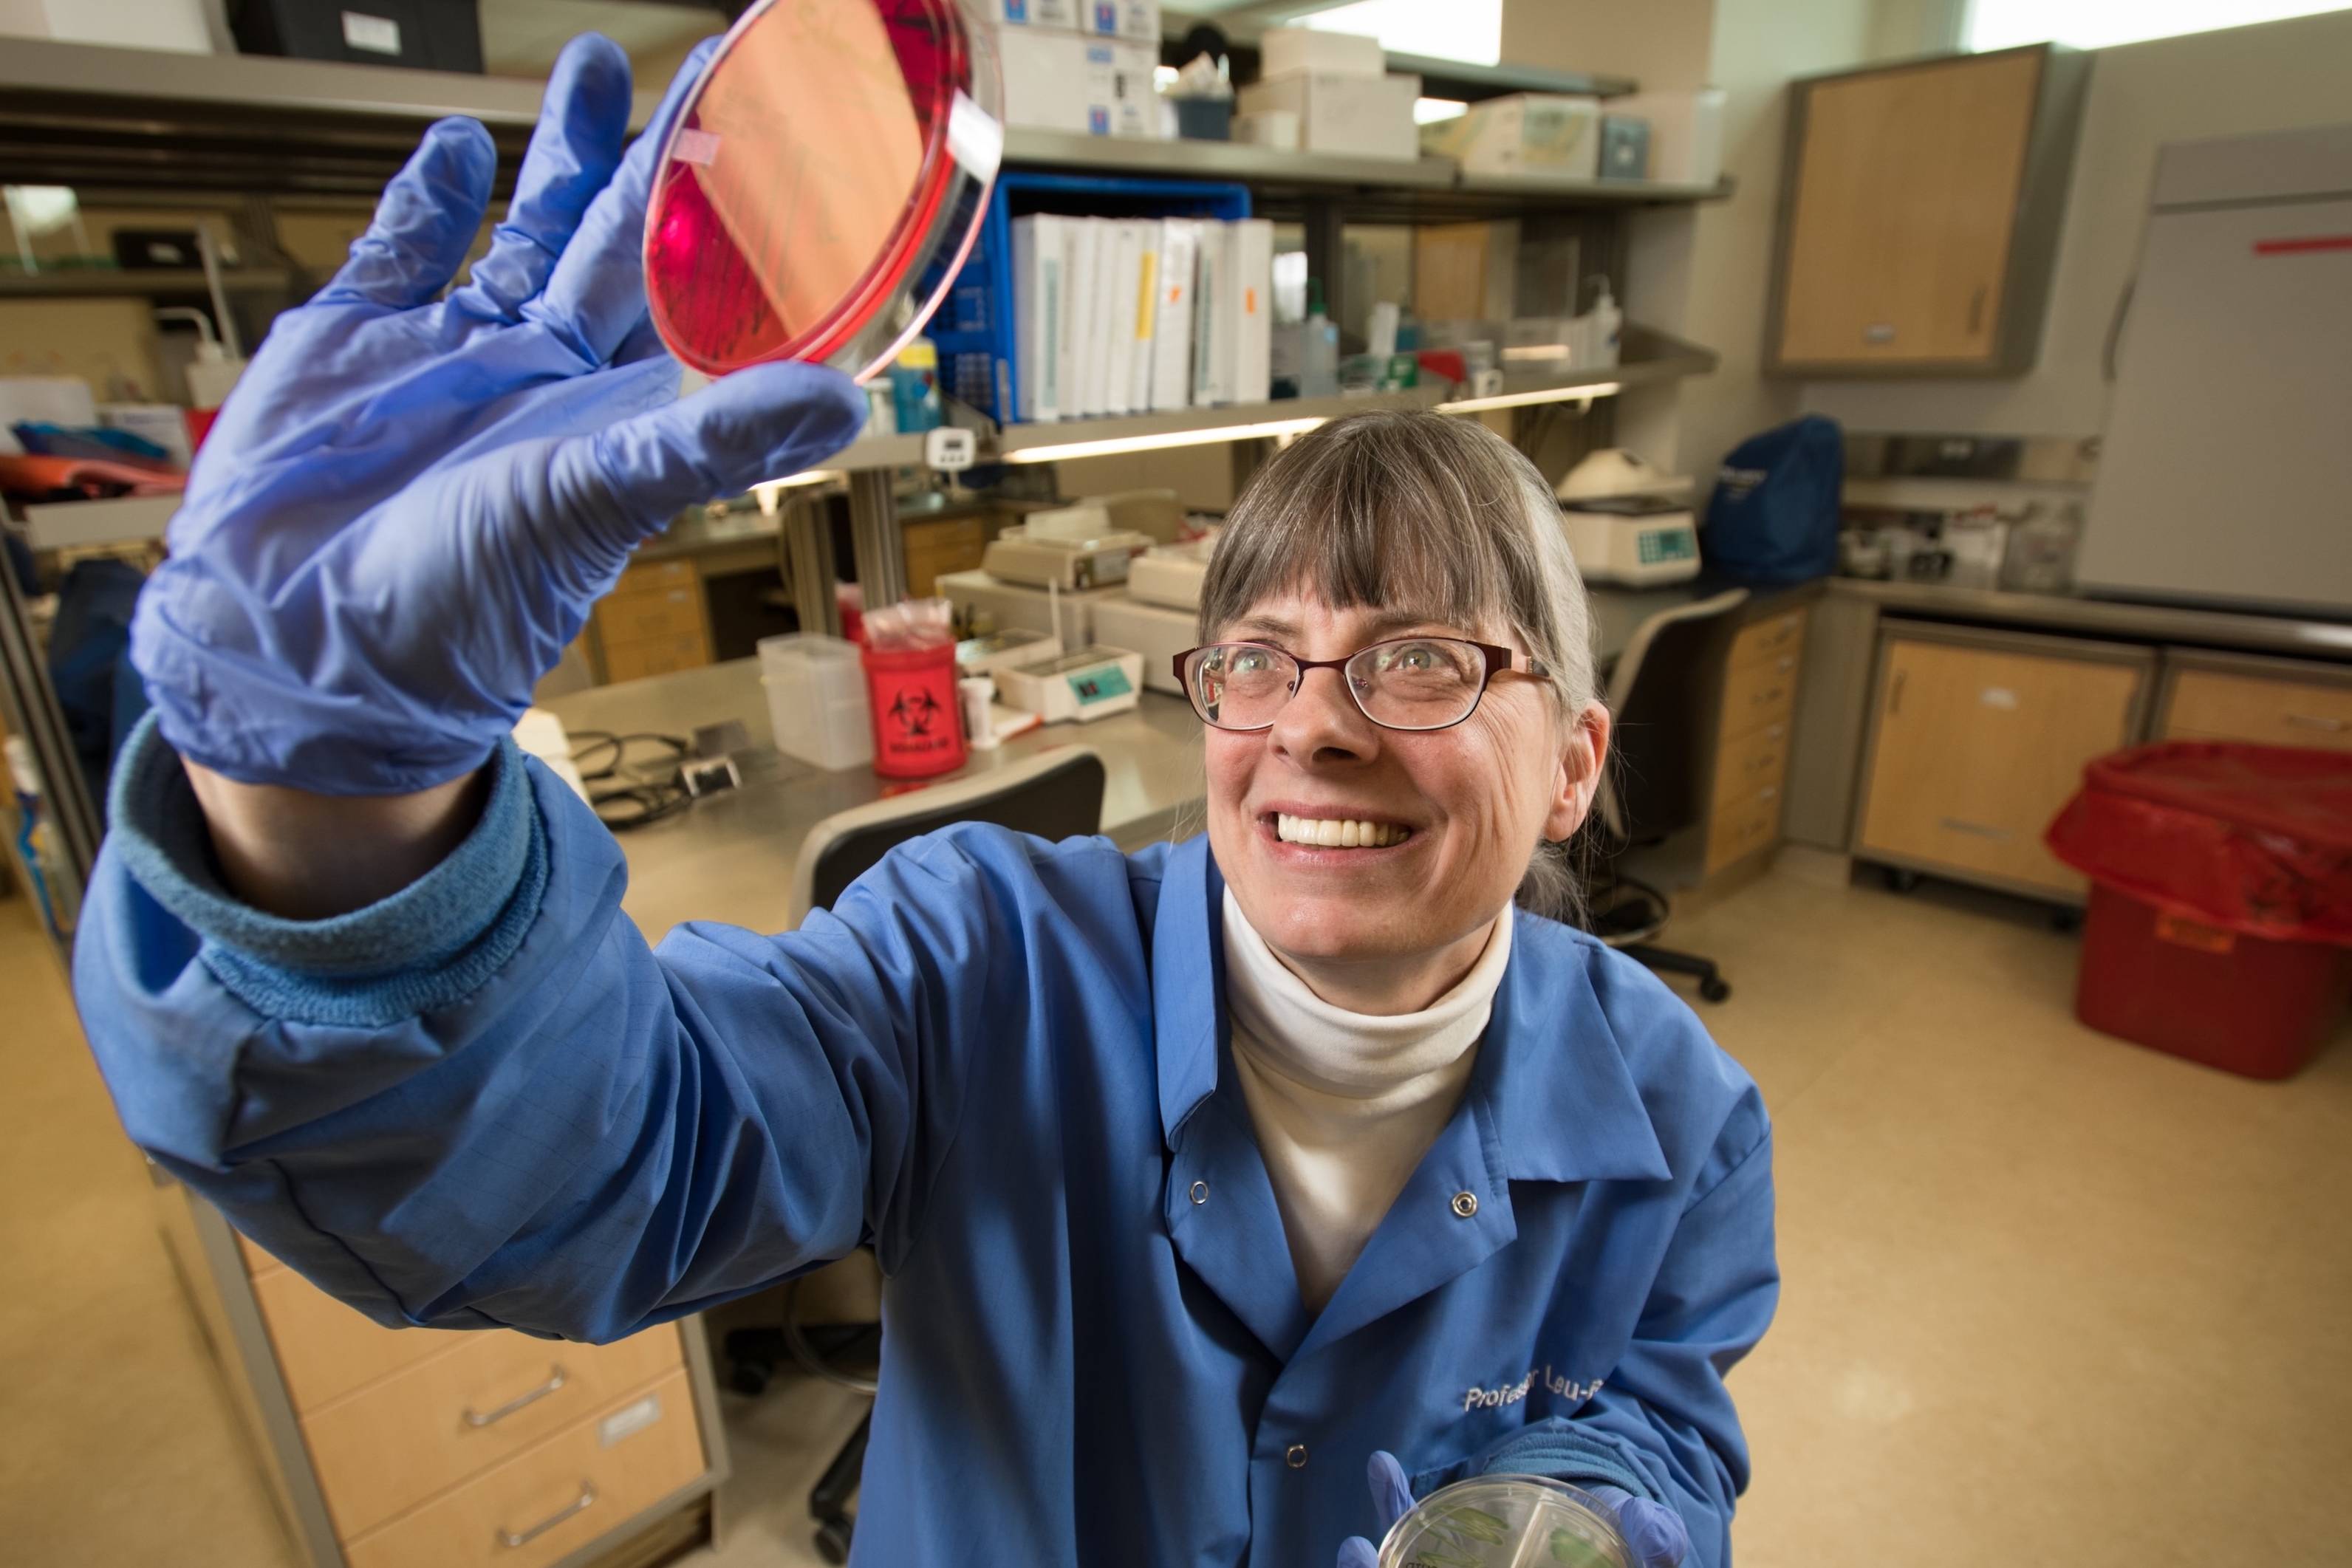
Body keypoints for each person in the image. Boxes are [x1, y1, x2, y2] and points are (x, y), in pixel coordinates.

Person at [70, 35, 1776, 1568]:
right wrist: (320, 798)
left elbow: (1658, 1417)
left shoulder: (1683, 1121)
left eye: (1416, 660)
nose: (1309, 730)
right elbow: (595, 1173)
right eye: (1252, 661)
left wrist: (1579, 1518)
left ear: (1569, 768)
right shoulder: (972, 971)